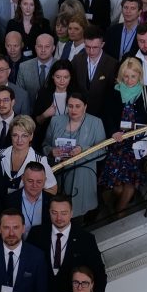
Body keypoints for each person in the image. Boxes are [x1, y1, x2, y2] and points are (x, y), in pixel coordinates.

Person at [97, 58, 147, 215]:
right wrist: (113, 131)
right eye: (126, 76)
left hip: (138, 143)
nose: (129, 80)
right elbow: (106, 115)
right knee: (116, 184)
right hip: (117, 142)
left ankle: (119, 212)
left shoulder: (146, 92)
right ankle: (121, 205)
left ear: (139, 76)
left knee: (132, 180)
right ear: (121, 75)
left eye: (133, 77)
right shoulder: (113, 91)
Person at [42, 92, 105, 220]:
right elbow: (45, 145)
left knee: (78, 218)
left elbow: (102, 152)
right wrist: (51, 151)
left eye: (78, 106)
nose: (73, 110)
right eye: (70, 106)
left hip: (83, 178)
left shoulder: (96, 122)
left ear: (85, 107)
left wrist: (83, 150)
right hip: (58, 176)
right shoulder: (56, 120)